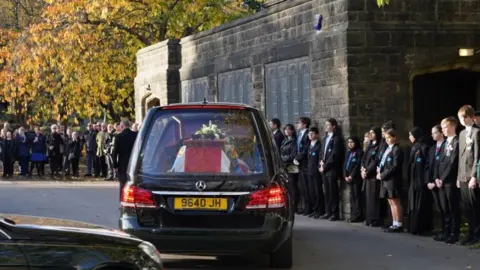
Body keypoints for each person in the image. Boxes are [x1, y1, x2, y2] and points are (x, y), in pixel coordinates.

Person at [434, 116, 461, 244]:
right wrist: (437, 178)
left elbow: (452, 162)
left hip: (450, 181)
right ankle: (446, 230)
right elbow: (439, 161)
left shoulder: (456, 141)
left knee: (452, 207)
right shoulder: (445, 142)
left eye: (444, 127)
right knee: (444, 208)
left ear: (451, 126)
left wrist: (443, 179)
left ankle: (454, 233)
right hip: (441, 181)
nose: (443, 130)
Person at [457, 105, 480, 245]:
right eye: (461, 117)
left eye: (465, 117)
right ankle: (470, 232)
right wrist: (458, 177)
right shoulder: (462, 134)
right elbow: (461, 156)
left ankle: (477, 233)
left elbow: (477, 156)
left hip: (471, 175)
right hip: (462, 175)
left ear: (471, 117)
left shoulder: (477, 133)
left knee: (475, 205)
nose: (462, 120)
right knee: (466, 206)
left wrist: (474, 176)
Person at [376, 128, 404, 233]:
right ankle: (394, 222)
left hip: (393, 179)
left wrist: (382, 175)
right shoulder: (388, 149)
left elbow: (394, 166)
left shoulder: (397, 149)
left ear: (395, 138)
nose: (387, 140)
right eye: (386, 138)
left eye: (389, 137)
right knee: (391, 201)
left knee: (396, 201)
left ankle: (399, 224)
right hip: (386, 180)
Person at [407, 127, 432, 235]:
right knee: (413, 203)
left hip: (421, 181)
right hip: (413, 180)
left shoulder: (424, 147)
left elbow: (427, 165)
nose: (409, 137)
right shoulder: (414, 147)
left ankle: (421, 227)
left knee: (421, 204)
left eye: (411, 135)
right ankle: (413, 227)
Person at [319, 118, 345, 221]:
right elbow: (322, 153)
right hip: (324, 169)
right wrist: (321, 163)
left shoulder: (337, 138)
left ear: (334, 126)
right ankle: (328, 211)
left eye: (328, 125)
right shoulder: (325, 138)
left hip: (332, 169)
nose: (326, 126)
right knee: (327, 191)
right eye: (325, 124)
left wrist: (325, 166)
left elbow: (335, 155)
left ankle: (335, 213)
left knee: (333, 192)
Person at [426, 125, 447, 241]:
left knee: (445, 207)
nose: (432, 135)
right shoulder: (432, 148)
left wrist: (438, 179)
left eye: (434, 133)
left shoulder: (446, 146)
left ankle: (447, 230)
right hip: (432, 182)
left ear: (441, 133)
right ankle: (442, 229)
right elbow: (428, 166)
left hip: (441, 181)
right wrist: (429, 181)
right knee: (439, 207)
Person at [362, 126, 383, 227]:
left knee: (374, 198)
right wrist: (362, 169)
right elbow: (364, 158)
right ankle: (369, 217)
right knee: (368, 198)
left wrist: (367, 170)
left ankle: (376, 218)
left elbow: (376, 160)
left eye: (373, 133)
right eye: (369, 133)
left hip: (373, 175)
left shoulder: (379, 146)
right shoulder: (370, 146)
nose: (370, 135)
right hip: (367, 176)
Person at [113, 120, 138, 198]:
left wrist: (115, 165)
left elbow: (115, 152)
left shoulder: (119, 137)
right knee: (133, 184)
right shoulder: (136, 135)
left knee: (123, 184)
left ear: (122, 126)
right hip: (134, 163)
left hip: (123, 164)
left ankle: (123, 200)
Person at [306, 127, 325, 219]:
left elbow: (320, 158)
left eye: (312, 133)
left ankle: (320, 210)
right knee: (311, 191)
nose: (310, 135)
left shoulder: (319, 145)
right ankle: (314, 209)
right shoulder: (309, 145)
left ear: (317, 134)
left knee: (318, 191)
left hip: (316, 171)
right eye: (309, 134)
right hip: (309, 171)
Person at [344, 135, 364, 223]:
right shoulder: (349, 152)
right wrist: (345, 175)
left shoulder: (359, 152)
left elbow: (357, 165)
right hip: (348, 177)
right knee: (352, 197)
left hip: (355, 178)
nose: (350, 144)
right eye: (348, 142)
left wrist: (351, 175)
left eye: (352, 142)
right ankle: (353, 214)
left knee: (357, 196)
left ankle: (358, 215)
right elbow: (345, 165)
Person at [280, 124, 299, 210]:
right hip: (285, 165)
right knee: (287, 186)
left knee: (292, 185)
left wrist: (283, 158)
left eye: (289, 129)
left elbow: (293, 154)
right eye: (285, 129)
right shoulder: (284, 141)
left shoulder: (294, 141)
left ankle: (294, 205)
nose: (287, 131)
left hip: (292, 165)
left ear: (292, 131)